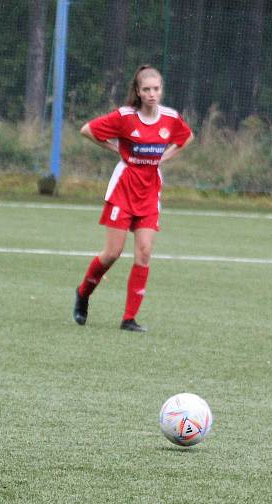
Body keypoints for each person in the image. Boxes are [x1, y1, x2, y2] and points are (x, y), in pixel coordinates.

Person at [73, 65, 193, 332]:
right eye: (147, 89)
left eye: (156, 89)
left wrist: (165, 158)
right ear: (138, 92)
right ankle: (83, 293)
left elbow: (186, 137)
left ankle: (129, 318)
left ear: (161, 90)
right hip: (123, 189)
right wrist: (114, 147)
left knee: (145, 252)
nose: (152, 94)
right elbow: (87, 130)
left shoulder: (170, 118)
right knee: (112, 253)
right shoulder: (125, 117)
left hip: (150, 191)